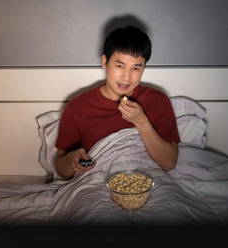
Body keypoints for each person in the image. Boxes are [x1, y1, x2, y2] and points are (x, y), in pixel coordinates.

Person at [54, 25, 180, 179]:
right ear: (104, 62)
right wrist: (71, 162)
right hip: (95, 183)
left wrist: (141, 122)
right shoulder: (77, 108)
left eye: (136, 68)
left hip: (149, 181)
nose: (126, 77)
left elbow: (169, 163)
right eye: (120, 66)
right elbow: (60, 167)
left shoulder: (159, 101)